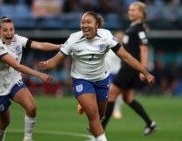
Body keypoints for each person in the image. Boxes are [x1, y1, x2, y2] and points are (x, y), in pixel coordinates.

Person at [39, 11, 155, 141]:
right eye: (82, 22)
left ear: (97, 25)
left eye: (88, 22)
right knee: (93, 115)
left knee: (100, 115)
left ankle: (84, 105)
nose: (85, 25)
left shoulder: (106, 36)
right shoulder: (73, 39)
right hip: (81, 80)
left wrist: (145, 72)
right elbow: (56, 60)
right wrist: (46, 64)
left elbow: (126, 56)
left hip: (101, 80)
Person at [0, 16, 60, 141]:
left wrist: (61, 47)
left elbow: (39, 45)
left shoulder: (17, 39)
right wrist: (39, 74)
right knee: (5, 122)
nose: (9, 33)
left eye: (11, 29)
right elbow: (17, 66)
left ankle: (28, 138)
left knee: (31, 108)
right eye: (5, 30)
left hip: (14, 82)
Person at [101, 1, 157, 136]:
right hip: (129, 68)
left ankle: (100, 128)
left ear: (141, 13)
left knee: (112, 94)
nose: (130, 12)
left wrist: (143, 70)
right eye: (129, 10)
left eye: (133, 10)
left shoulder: (139, 29)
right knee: (128, 99)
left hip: (129, 69)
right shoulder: (133, 27)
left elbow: (144, 50)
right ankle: (150, 124)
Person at [105, 31, 123, 119]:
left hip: (119, 73)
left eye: (121, 37)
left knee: (118, 93)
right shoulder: (109, 46)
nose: (120, 38)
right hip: (109, 73)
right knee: (108, 92)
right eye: (118, 36)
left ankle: (117, 109)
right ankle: (107, 109)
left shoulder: (123, 48)